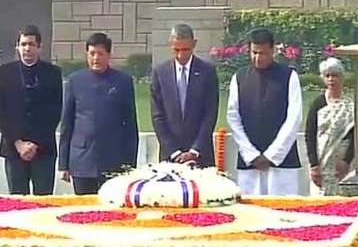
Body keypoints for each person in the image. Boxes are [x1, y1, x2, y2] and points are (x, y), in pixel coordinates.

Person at [59, 33, 138, 195]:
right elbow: (67, 124)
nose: (96, 58)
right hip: (82, 161)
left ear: (109, 55)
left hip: (113, 161)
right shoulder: (75, 81)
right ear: (87, 55)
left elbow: (130, 125)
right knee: (84, 212)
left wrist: (130, 165)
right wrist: (63, 165)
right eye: (92, 53)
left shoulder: (122, 81)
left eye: (100, 54)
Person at [227, 28, 302, 195]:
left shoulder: (289, 76)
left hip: (282, 164)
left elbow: (294, 118)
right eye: (254, 52)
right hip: (250, 163)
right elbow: (233, 117)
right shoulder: (239, 77)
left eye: (263, 53)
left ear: (273, 50)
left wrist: (272, 155)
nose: (258, 58)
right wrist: (250, 154)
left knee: (285, 214)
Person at [0, 25, 62, 195]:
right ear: (17, 47)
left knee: (44, 202)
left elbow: (55, 111)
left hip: (43, 150)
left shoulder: (53, 73)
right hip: (14, 150)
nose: (27, 48)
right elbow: (2, 113)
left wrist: (35, 143)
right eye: (24, 44)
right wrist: (18, 143)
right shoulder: (4, 73)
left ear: (39, 47)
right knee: (18, 203)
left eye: (32, 44)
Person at [151, 24, 219, 167]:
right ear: (170, 44)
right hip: (170, 157)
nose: (181, 55)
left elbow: (210, 114)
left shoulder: (207, 72)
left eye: (186, 50)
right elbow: (158, 116)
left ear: (194, 44)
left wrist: (195, 150)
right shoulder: (160, 73)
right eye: (176, 50)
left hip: (201, 155)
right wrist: (174, 152)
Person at [305, 57, 354, 196]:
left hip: (343, 166)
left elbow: (355, 136)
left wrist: (346, 161)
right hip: (321, 163)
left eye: (335, 75)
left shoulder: (350, 105)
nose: (331, 79)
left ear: (342, 77)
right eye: (327, 76)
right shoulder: (318, 103)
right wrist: (314, 165)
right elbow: (310, 134)